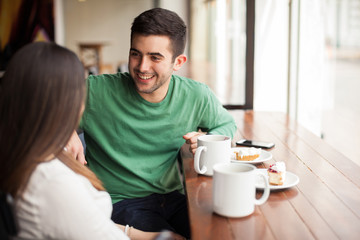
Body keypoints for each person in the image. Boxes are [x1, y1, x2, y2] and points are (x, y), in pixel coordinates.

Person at [67, 8, 237, 238]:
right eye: (135, 54)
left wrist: (206, 139)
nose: (142, 67)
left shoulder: (196, 95)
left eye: (155, 57)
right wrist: (64, 131)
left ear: (178, 62)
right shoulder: (96, 91)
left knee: (219, 233)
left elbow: (226, 125)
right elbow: (35, 117)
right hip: (120, 202)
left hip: (174, 197)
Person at [0, 42, 184, 240]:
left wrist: (142, 234)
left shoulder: (24, 155)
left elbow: (88, 225)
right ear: (67, 104)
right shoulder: (53, 183)